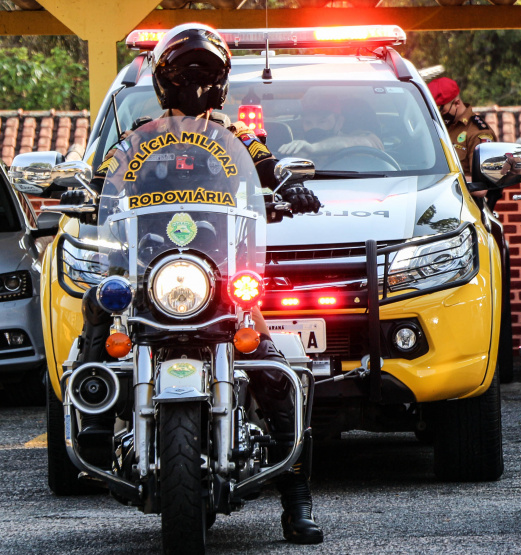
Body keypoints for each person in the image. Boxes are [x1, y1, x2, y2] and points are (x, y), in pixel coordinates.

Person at [62, 24, 324, 544]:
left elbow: (264, 169)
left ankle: (296, 499)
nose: (195, 88)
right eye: (184, 77)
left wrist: (289, 187)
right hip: (149, 272)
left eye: (206, 77)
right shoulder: (138, 138)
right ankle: (94, 413)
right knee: (100, 300)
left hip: (221, 275)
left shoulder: (241, 138)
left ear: (222, 83)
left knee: (277, 371)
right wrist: (83, 188)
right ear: (164, 83)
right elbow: (105, 180)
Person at [427, 77, 500, 204]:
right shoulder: (440, 126)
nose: (439, 115)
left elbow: (480, 188)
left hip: (467, 207)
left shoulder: (478, 132)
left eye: (441, 110)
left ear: (456, 103)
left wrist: (442, 179)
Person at [277, 94, 384, 165]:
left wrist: (313, 148)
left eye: (322, 121)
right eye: (308, 122)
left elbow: (364, 142)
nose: (314, 127)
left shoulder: (360, 138)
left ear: (339, 122)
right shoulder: (294, 146)